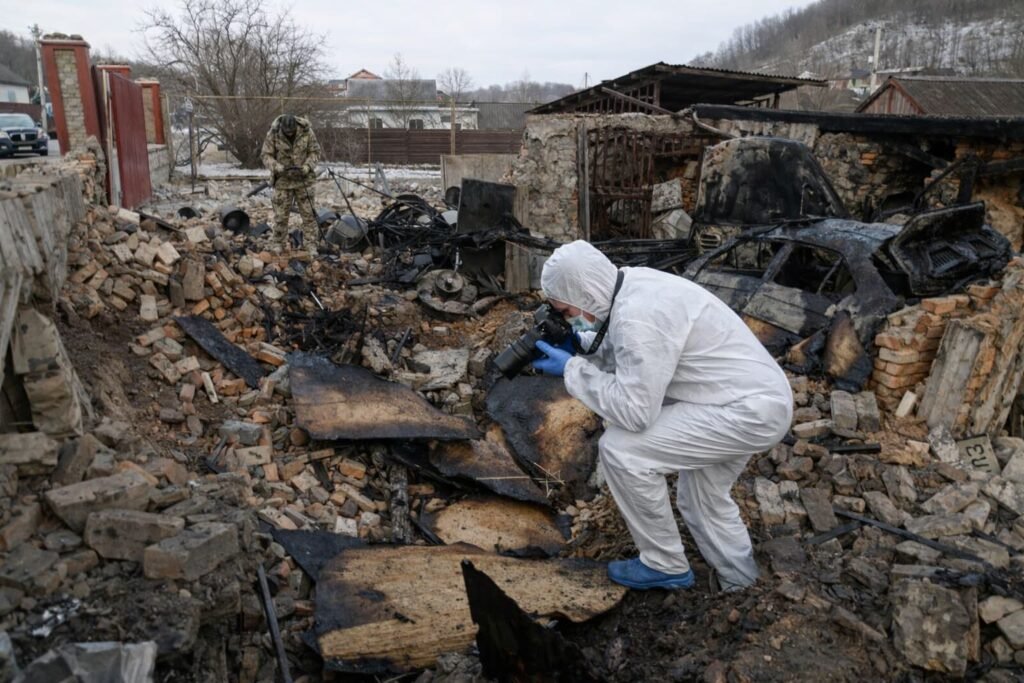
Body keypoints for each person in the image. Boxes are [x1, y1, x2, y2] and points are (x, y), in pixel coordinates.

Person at [531, 240, 792, 591]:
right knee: (700, 499)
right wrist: (582, 349)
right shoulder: (631, 286)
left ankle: (664, 564)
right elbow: (629, 355)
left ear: (585, 292)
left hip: (744, 411)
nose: (569, 318)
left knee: (622, 450)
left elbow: (635, 412)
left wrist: (573, 370)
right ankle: (743, 586)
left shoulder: (641, 316)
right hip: (746, 400)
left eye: (566, 311)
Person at [261, 114, 322, 247]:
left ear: (296, 127)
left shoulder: (307, 131)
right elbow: (266, 155)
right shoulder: (274, 133)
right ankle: (278, 244)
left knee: (309, 216)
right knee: (280, 217)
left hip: (304, 181)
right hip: (283, 181)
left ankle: (311, 245)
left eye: (291, 132)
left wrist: (307, 166)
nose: (289, 134)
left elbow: (315, 152)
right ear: (282, 128)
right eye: (286, 132)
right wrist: (277, 167)